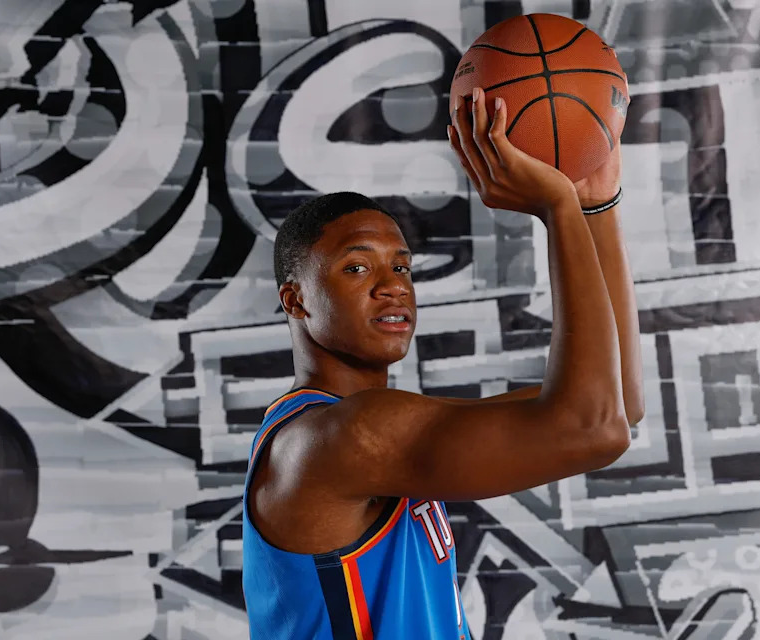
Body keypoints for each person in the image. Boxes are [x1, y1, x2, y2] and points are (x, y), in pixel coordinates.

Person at [241, 87, 644, 639]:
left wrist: (595, 202)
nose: (391, 288)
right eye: (357, 269)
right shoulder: (337, 441)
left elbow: (616, 399)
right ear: (295, 300)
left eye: (402, 268)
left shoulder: (380, 425)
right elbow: (595, 428)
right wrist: (558, 209)